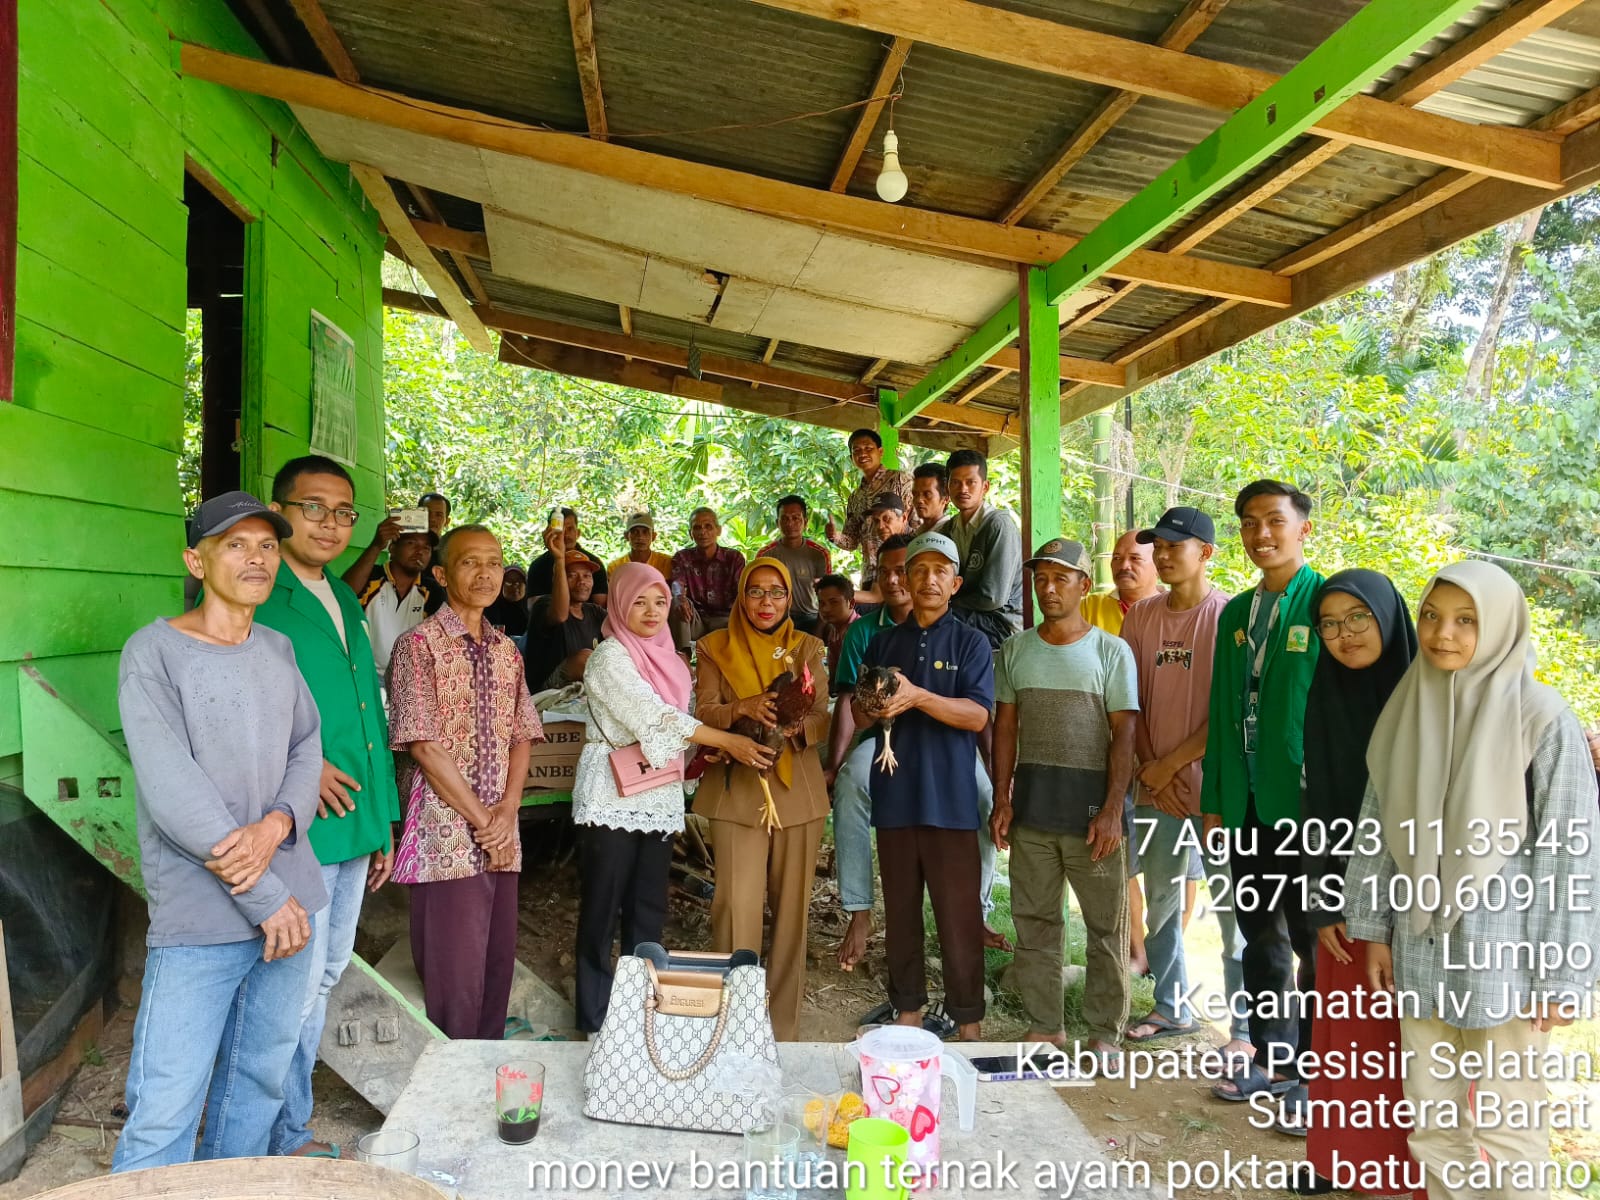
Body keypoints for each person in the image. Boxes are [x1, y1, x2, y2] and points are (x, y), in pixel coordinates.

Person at [1345, 561, 1600, 1200]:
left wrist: (1561, 975)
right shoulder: (1411, 706)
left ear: (1501, 627)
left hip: (1507, 962)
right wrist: (1374, 927)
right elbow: (1378, 828)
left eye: (1466, 621)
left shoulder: (1543, 719)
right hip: (1422, 948)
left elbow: (1572, 856)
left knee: (1509, 1123)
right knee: (1432, 1120)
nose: (1443, 635)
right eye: (1431, 616)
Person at [112, 492, 325, 1171]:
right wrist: (266, 896)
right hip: (207, 917)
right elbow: (177, 799)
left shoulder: (278, 647)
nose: (255, 558)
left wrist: (279, 821)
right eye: (235, 545)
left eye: (266, 545)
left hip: (293, 905)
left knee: (256, 1085)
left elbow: (307, 749)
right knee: (166, 1103)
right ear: (195, 560)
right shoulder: (155, 654)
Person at [256, 457, 401, 1160]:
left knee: (326, 970)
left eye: (343, 512)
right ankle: (280, 1136)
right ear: (278, 510)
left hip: (352, 820)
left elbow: (366, 716)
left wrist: (383, 822)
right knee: (292, 981)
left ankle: (285, 1129)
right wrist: (298, 769)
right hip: (294, 824)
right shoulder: (259, 593)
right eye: (313, 508)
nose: (330, 523)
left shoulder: (343, 597)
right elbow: (239, 708)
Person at [572, 564, 774, 1034]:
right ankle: (594, 1020)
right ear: (619, 604)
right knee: (603, 909)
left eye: (659, 602)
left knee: (647, 909)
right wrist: (726, 740)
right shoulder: (610, 659)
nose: (650, 611)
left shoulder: (672, 660)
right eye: (639, 601)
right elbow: (656, 717)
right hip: (612, 797)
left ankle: (640, 1015)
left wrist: (711, 749)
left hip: (656, 795)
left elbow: (682, 727)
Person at [1284, 570, 1422, 1191]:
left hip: (1418, 903)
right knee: (1345, 1036)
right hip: (1340, 893)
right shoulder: (1326, 691)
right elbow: (1317, 806)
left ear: (1389, 617)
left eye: (1358, 618)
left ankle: (1403, 1175)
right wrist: (1321, 897)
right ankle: (1340, 1161)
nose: (1344, 635)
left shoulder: (1429, 697)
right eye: (1330, 623)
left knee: (1405, 1045)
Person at [388, 524, 542, 1039]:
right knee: (454, 973)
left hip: (501, 828)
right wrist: (485, 823)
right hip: (445, 833)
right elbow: (423, 744)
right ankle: (450, 1089)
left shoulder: (507, 650)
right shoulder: (418, 646)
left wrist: (508, 813)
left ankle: (487, 1073)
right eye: (470, 562)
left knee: (497, 961)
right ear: (441, 573)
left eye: (494, 562)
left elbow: (523, 734)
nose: (485, 573)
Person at [832, 534, 1007, 983]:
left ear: (955, 583)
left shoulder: (969, 641)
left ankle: (979, 915)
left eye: (939, 572)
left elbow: (977, 716)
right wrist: (873, 709)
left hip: (948, 769)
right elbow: (855, 708)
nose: (925, 580)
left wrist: (917, 697)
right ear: (904, 579)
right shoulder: (877, 637)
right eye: (916, 571)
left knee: (985, 804)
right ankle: (861, 915)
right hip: (895, 763)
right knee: (855, 782)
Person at [1201, 480, 1324, 1101]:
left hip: (1305, 807)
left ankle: (1311, 1070)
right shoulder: (1234, 615)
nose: (1261, 535)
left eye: (1274, 521)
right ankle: (1272, 1058)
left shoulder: (1328, 602)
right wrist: (1216, 802)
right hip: (1247, 807)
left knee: (1312, 940)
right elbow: (1223, 710)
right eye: (1249, 523)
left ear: (1303, 528)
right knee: (1260, 936)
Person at [990, 538, 1137, 1059]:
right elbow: (1004, 728)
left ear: (1082, 585)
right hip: (1032, 812)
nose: (1049, 588)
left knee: (1104, 928)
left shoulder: (1110, 651)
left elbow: (1125, 735)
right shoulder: (1017, 650)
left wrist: (1114, 810)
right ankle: (1045, 1025)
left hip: (1094, 818)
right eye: (1040, 579)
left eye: (1060, 578)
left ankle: (1103, 1032)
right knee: (1034, 923)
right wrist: (1002, 799)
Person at [1118, 509, 1242, 1053]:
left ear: (1206, 553)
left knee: (1238, 911)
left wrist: (1171, 765)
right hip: (1155, 790)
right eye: (1158, 546)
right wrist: (1152, 768)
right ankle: (1171, 1006)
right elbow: (1128, 704)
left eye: (1175, 545)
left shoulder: (1231, 617)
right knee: (1163, 900)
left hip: (1218, 791)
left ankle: (1249, 1029)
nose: (1163, 554)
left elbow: (1231, 710)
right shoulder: (1140, 618)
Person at [692, 559, 831, 1041]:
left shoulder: (808, 646)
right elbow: (704, 711)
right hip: (737, 792)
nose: (766, 602)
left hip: (798, 794)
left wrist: (793, 727)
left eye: (776, 593)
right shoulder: (713, 647)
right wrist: (743, 709)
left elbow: (823, 716)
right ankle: (732, 1029)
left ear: (789, 598)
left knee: (792, 915)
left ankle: (783, 1031)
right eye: (756, 592)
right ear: (741, 595)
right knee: (735, 911)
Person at [941, 449, 1023, 648]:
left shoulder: (998, 525)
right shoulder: (950, 528)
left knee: (935, 623)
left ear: (985, 487)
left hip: (1001, 622)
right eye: (956, 482)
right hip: (967, 613)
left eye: (971, 482)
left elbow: (993, 598)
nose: (963, 489)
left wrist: (948, 602)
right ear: (948, 487)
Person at [825, 428, 912, 587]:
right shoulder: (855, 497)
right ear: (852, 458)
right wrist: (835, 536)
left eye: (868, 448)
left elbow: (916, 524)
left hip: (901, 571)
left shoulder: (900, 480)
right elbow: (851, 542)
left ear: (880, 451)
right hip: (870, 576)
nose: (862, 453)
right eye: (856, 450)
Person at [351, 528, 442, 675]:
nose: (420, 551)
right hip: (364, 674)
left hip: (408, 680)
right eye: (411, 543)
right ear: (392, 549)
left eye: (426, 548)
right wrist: (376, 546)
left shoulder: (431, 591)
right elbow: (345, 594)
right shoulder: (371, 577)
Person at [524, 531, 606, 692]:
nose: (581, 581)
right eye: (572, 575)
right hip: (548, 691)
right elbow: (561, 615)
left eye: (587, 576)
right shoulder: (544, 605)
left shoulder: (594, 612)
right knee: (584, 659)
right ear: (558, 580)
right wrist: (560, 560)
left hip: (584, 690)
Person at [669, 507, 745, 652]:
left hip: (726, 621)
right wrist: (679, 597)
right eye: (697, 527)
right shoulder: (682, 558)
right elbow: (677, 583)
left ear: (718, 530)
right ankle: (683, 658)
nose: (702, 531)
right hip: (696, 620)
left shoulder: (733, 558)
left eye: (708, 526)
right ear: (690, 533)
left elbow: (742, 591)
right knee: (677, 603)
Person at [758, 495, 831, 633]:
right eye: (785, 518)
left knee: (833, 628)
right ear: (777, 523)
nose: (790, 523)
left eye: (796, 518)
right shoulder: (765, 555)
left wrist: (818, 633)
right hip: (777, 618)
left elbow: (826, 595)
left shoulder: (820, 554)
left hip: (811, 617)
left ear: (805, 521)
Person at [1083, 530, 1163, 634]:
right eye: (1117, 558)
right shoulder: (1089, 606)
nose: (1124, 566)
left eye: (1135, 558)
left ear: (1158, 565)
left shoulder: (1175, 610)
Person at [528, 507, 609, 602]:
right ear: (550, 532)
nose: (565, 535)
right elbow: (535, 609)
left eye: (570, 529)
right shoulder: (538, 566)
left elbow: (601, 606)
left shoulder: (593, 562)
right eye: (560, 530)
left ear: (578, 533)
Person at [607, 510, 674, 581]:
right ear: (626, 536)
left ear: (653, 536)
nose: (640, 537)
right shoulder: (615, 567)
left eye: (645, 532)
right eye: (634, 532)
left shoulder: (666, 563)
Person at [815, 573, 857, 670]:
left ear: (851, 603)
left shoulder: (858, 633)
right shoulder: (834, 630)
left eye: (834, 602)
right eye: (822, 603)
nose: (825, 609)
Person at [485, 565, 531, 639]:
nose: (514, 586)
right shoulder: (490, 609)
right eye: (509, 582)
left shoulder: (532, 609)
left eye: (519, 581)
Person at [910, 462, 948, 534]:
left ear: (946, 498)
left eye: (927, 494)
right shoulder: (916, 535)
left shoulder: (952, 534)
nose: (919, 500)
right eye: (915, 494)